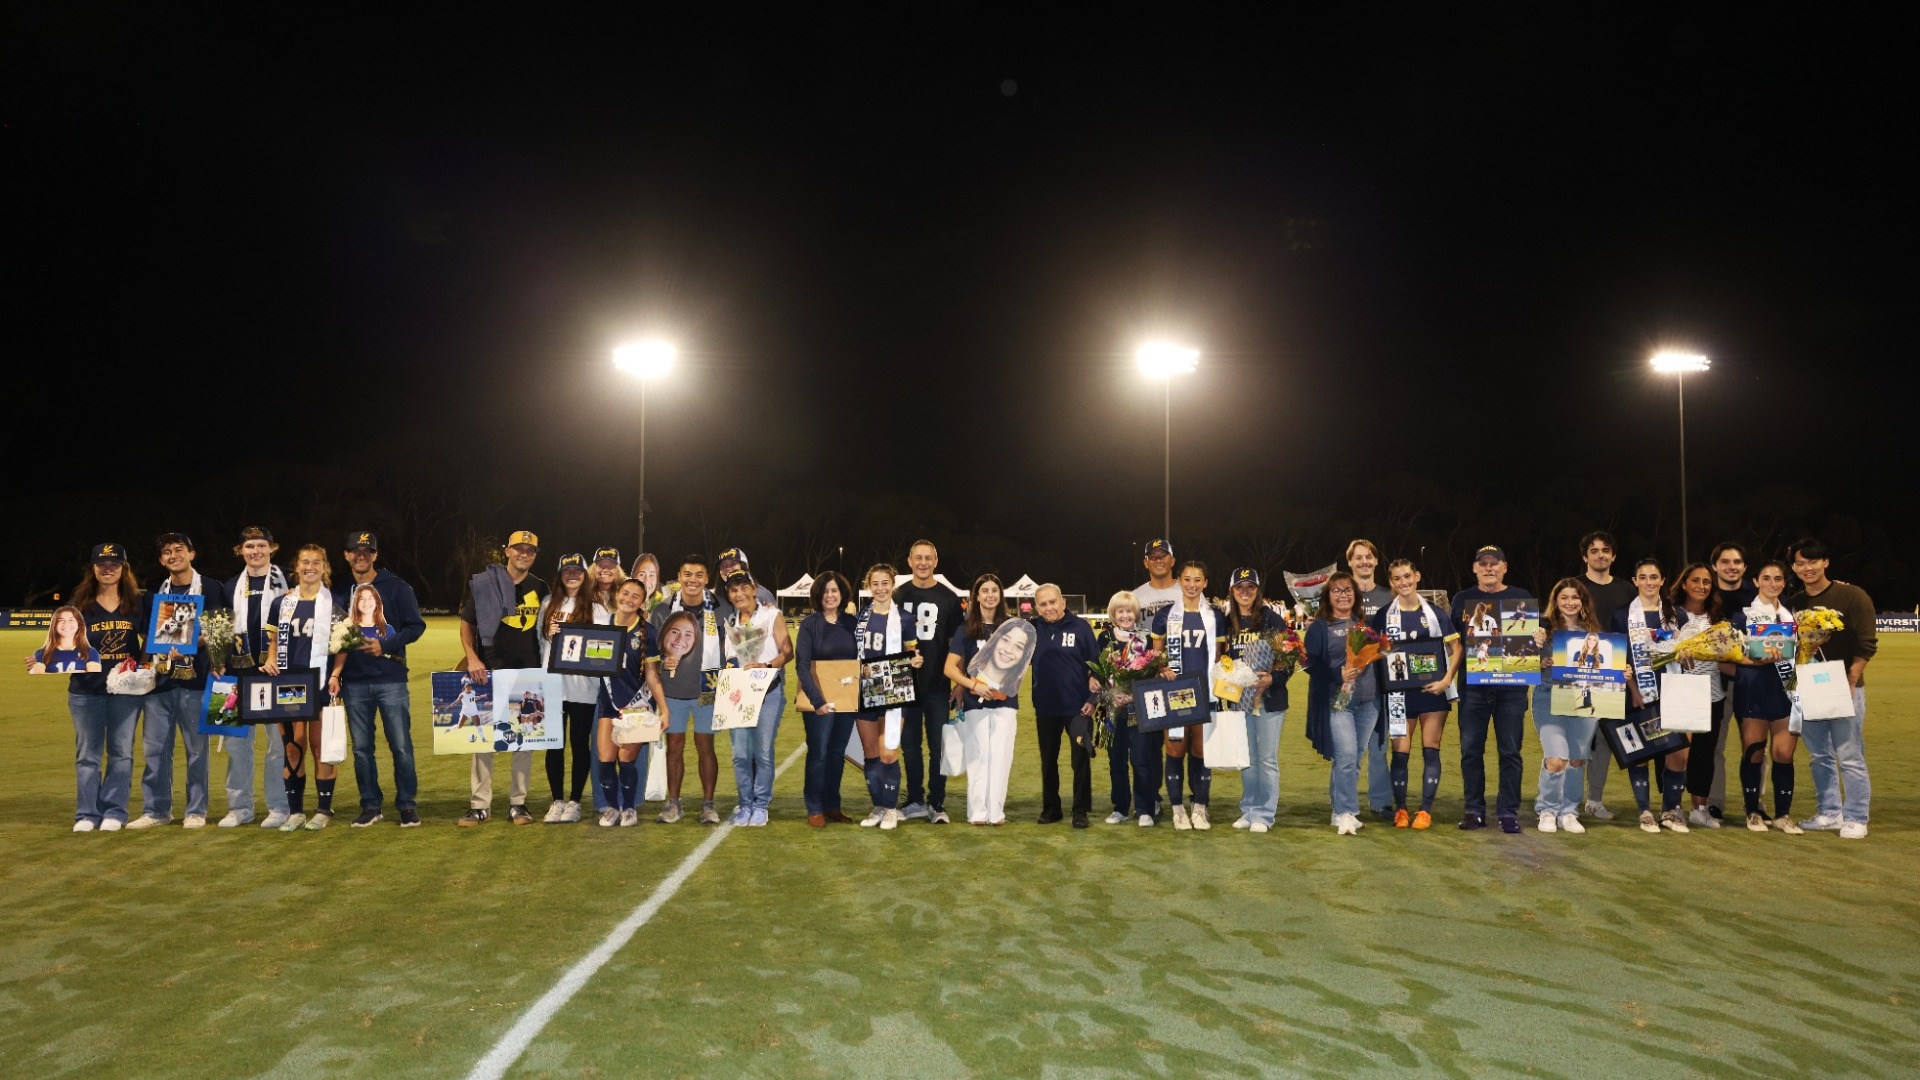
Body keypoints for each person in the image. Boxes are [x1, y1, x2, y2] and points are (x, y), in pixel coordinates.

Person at [127, 533, 231, 830]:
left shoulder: (211, 588)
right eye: (167, 552)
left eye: (179, 550)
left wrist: (189, 642)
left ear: (192, 554)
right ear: (162, 560)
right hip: (160, 684)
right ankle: (156, 810)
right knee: (155, 750)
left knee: (197, 750)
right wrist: (152, 659)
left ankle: (196, 810)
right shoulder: (153, 595)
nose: (173, 555)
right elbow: (149, 637)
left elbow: (221, 631)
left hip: (197, 681)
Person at [335, 531, 427, 828]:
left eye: (367, 551)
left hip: (390, 677)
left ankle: (407, 804)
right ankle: (370, 805)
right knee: (362, 749)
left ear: (375, 555)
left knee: (400, 745)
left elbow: (416, 626)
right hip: (354, 681)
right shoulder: (338, 590)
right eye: (355, 551)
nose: (361, 556)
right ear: (346, 555)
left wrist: (385, 645)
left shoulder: (396, 587)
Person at [457, 530, 549, 826]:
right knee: (483, 739)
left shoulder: (541, 587)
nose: (524, 554)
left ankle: (518, 803)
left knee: (524, 741)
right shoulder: (485, 585)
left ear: (535, 555)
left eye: (530, 550)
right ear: (506, 551)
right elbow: (467, 625)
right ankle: (479, 804)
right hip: (489, 671)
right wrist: (472, 657)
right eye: (519, 549)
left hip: (528, 673)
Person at [1786, 538, 1875, 839]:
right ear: (1794, 567)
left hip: (1844, 686)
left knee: (1849, 754)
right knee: (1819, 756)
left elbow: (1866, 642)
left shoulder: (1851, 595)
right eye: (1800, 563)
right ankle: (1829, 812)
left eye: (1813, 561)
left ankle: (1856, 817)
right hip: (1808, 687)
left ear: (1826, 562)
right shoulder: (1794, 604)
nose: (1807, 567)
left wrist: (1853, 677)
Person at [57, 544, 146, 832]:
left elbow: (152, 641)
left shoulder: (136, 601)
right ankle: (87, 814)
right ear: (93, 568)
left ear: (124, 568)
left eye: (114, 563)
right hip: (86, 691)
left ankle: (115, 812)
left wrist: (142, 667)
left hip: (126, 692)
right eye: (102, 563)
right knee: (88, 755)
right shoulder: (80, 602)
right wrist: (40, 658)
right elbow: (62, 644)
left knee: (121, 753)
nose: (108, 569)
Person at [1368, 559, 1461, 830]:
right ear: (1392, 582)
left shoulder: (1436, 613)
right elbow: (1374, 651)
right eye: (1397, 578)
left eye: (1407, 576)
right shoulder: (1384, 615)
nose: (1403, 582)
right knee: (1400, 753)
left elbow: (1457, 649)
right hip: (1398, 694)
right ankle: (1401, 810)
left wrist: (1446, 680)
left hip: (1433, 693)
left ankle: (1425, 810)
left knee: (1431, 750)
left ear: (1417, 576)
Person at [262, 544, 349, 831]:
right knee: (292, 747)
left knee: (320, 746)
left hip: (321, 682)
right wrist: (271, 660)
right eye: (304, 562)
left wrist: (336, 674)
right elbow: (272, 642)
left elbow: (342, 646)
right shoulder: (281, 603)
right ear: (296, 567)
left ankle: (323, 809)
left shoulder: (334, 603)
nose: (310, 566)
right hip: (289, 682)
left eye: (316, 562)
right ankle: (296, 811)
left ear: (325, 567)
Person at [1449, 545, 1533, 834]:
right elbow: (1453, 642)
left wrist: (1540, 633)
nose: (1488, 568)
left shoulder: (1521, 597)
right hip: (1473, 687)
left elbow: (1535, 634)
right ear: (1474, 568)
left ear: (1504, 567)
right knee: (1471, 751)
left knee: (1510, 751)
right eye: (1482, 563)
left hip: (1511, 689)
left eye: (1494, 563)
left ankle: (1508, 812)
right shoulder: (1463, 599)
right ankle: (1474, 810)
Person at [1612, 557, 1693, 834]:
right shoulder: (1622, 615)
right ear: (1635, 581)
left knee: (1679, 753)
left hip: (1674, 688)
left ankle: (1671, 810)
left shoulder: (1677, 614)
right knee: (1641, 753)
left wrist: (1688, 656)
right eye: (1643, 577)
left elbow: (1687, 659)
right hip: (1638, 692)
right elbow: (1619, 658)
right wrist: (1633, 690)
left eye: (1654, 577)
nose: (1649, 582)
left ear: (1662, 580)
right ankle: (1645, 811)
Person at [221, 526, 291, 829]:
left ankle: (279, 806)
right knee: (236, 746)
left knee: (279, 745)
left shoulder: (289, 583)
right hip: (233, 675)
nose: (255, 551)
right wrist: (215, 662)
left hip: (277, 673)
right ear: (241, 551)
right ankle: (239, 808)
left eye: (261, 545)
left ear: (272, 548)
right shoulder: (227, 587)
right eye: (249, 546)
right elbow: (218, 630)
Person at [892, 540, 965, 824]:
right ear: (909, 561)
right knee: (909, 746)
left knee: (938, 746)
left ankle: (936, 802)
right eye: (918, 558)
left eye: (928, 558)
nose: (923, 563)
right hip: (904, 684)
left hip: (936, 686)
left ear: (936, 561)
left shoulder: (948, 597)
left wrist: (959, 683)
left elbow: (955, 645)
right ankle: (914, 800)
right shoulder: (898, 595)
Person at [1727, 560, 1802, 834]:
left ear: (1784, 582)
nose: (1773, 583)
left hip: (1785, 689)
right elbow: (1726, 656)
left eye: (1778, 579)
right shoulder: (1742, 616)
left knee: (1783, 753)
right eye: (1767, 578)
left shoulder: (1793, 616)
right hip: (1753, 689)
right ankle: (1753, 812)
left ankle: (1783, 815)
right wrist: (1753, 661)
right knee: (1754, 752)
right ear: (1756, 581)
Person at [945, 573, 1024, 826]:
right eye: (985, 591)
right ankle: (977, 812)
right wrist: (972, 685)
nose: (990, 595)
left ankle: (996, 811)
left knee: (1001, 756)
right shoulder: (965, 629)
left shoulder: (1013, 627)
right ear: (976, 596)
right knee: (979, 755)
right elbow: (950, 667)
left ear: (1000, 596)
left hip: (1005, 702)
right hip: (974, 702)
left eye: (994, 590)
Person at [1304, 571, 1379, 835]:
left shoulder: (1364, 625)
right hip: (1338, 702)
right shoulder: (1320, 627)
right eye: (1337, 591)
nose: (1343, 595)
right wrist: (1339, 675)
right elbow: (1310, 664)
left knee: (1354, 759)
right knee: (1346, 756)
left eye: (1348, 590)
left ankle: (1338, 809)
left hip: (1368, 702)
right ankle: (1347, 812)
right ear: (1328, 596)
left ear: (1355, 595)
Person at [651, 555, 725, 825]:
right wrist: (661, 662)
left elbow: (734, 642)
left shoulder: (720, 607)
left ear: (706, 579)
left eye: (699, 575)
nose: (693, 580)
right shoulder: (663, 609)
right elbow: (651, 653)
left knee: (706, 746)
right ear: (679, 577)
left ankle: (708, 804)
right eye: (687, 574)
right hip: (673, 689)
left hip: (708, 689)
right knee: (675, 747)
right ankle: (674, 803)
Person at [537, 553, 609, 823]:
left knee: (579, 744)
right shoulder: (548, 603)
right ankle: (556, 800)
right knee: (553, 745)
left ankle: (575, 801)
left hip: (583, 687)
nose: (572, 575)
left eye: (577, 570)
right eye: (567, 570)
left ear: (584, 574)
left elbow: (603, 647)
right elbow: (540, 644)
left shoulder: (596, 606)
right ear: (560, 574)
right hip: (553, 684)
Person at [851, 564, 924, 829]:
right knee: (870, 752)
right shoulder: (861, 617)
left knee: (889, 753)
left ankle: (892, 808)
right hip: (866, 684)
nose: (880, 588)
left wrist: (916, 660)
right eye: (875, 583)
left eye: (885, 583)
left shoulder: (904, 618)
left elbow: (912, 651)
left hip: (894, 682)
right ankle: (878, 806)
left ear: (893, 585)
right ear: (869, 586)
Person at [1149, 560, 1221, 831]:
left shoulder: (1216, 615)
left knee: (1202, 751)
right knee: (1176, 750)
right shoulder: (1165, 615)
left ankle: (1200, 807)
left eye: (1197, 580)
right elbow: (1155, 656)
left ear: (1205, 583)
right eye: (1187, 579)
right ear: (1179, 582)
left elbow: (1221, 656)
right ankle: (1178, 809)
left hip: (1206, 693)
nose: (1192, 585)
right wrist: (1162, 667)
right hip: (1176, 693)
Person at [1527, 579, 1602, 835]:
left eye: (1575, 598)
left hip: (1583, 698)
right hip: (1548, 697)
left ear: (1583, 602)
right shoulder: (1542, 628)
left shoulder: (1593, 633)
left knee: (1577, 759)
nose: (1570, 603)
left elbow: (1602, 670)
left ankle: (1569, 811)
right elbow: (1520, 666)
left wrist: (1620, 673)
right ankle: (1547, 809)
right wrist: (1536, 655)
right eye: (1564, 598)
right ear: (1556, 602)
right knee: (1557, 758)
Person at [721, 570, 793, 825]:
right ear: (729, 596)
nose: (739, 593)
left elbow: (788, 651)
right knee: (740, 753)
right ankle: (744, 804)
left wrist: (766, 665)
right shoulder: (731, 622)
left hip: (768, 692)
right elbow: (728, 660)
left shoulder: (772, 614)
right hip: (739, 696)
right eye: (733, 590)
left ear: (754, 589)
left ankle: (761, 805)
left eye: (743, 588)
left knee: (762, 753)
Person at [594, 578, 668, 826]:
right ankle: (612, 808)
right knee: (605, 758)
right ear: (617, 595)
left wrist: (664, 710)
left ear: (642, 601)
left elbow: (652, 675)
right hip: (608, 704)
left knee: (626, 759)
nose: (629, 599)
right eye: (625, 593)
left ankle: (628, 808)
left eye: (635, 596)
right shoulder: (602, 627)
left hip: (636, 706)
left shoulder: (648, 632)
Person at [1574, 531, 1637, 820]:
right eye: (1594, 550)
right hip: (1579, 671)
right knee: (1576, 737)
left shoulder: (1627, 590)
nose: (1600, 555)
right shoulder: (1574, 587)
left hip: (1616, 674)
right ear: (1585, 556)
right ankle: (1569, 797)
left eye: (1606, 550)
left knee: (1604, 737)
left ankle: (1594, 799)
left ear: (1613, 556)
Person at [1222, 568, 1290, 834]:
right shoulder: (1227, 622)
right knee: (1246, 758)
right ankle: (1248, 810)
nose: (1245, 592)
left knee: (1266, 758)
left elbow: (1287, 660)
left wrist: (1272, 679)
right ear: (1232, 591)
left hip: (1270, 700)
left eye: (1250, 587)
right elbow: (1221, 660)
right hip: (1240, 701)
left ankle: (1264, 813)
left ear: (1258, 590)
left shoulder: (1273, 620)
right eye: (1240, 587)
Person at [1030, 583, 1099, 828]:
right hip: (1046, 707)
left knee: (1080, 760)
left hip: (1078, 709)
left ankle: (1080, 810)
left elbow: (1097, 668)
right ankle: (1051, 808)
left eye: (1052, 602)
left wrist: (1092, 701)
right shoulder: (1031, 630)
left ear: (1062, 602)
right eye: (1043, 604)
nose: (1048, 608)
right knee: (1048, 760)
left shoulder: (1081, 628)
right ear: (1036, 607)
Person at [794, 571, 859, 828]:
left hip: (845, 701)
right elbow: (802, 666)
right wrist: (818, 701)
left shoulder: (852, 623)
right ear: (817, 595)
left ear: (842, 594)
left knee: (836, 754)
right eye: (825, 591)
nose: (830, 595)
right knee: (818, 754)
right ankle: (815, 806)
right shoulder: (810, 624)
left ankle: (833, 804)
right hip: (818, 702)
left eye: (834, 590)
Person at [1696, 541, 1754, 822]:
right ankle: (1714, 803)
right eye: (1726, 562)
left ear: (1744, 566)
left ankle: (1755, 804)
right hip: (1714, 684)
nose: (1732, 567)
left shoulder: (1758, 597)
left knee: (1754, 746)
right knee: (1713, 746)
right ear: (1715, 565)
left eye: (1737, 562)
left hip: (1751, 683)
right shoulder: (1704, 595)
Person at [1095, 591, 1162, 826]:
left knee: (1142, 759)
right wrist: (1109, 694)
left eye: (1129, 611)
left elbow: (1152, 673)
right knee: (1117, 760)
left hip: (1140, 709)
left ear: (1136, 613)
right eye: (1120, 611)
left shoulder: (1145, 639)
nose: (1125, 615)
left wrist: (1133, 694)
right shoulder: (1104, 638)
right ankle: (1120, 807)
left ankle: (1144, 808)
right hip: (1113, 709)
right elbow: (1098, 674)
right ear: (1114, 614)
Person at [1345, 539, 1394, 820]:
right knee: (1347, 747)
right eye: (1358, 558)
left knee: (1379, 745)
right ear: (1350, 562)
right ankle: (1344, 800)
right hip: (1347, 683)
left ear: (1376, 562)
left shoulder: (1389, 597)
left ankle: (1381, 800)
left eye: (1369, 557)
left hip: (1381, 682)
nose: (1364, 562)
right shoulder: (1340, 595)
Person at [30, 606, 100, 673]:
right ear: (54, 625)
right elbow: (37, 676)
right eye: (61, 620)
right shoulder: (41, 653)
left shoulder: (90, 652)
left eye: (71, 620)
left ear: (79, 624)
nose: (66, 624)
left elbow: (93, 678)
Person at [1134, 539, 1181, 629]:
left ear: (1172, 561)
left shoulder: (1188, 592)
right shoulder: (1136, 596)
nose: (1158, 560)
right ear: (1146, 563)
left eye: (1163, 556)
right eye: (1152, 557)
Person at [589, 546, 626, 611]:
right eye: (601, 565)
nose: (605, 569)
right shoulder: (583, 591)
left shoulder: (628, 590)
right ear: (594, 569)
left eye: (610, 566)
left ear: (617, 570)